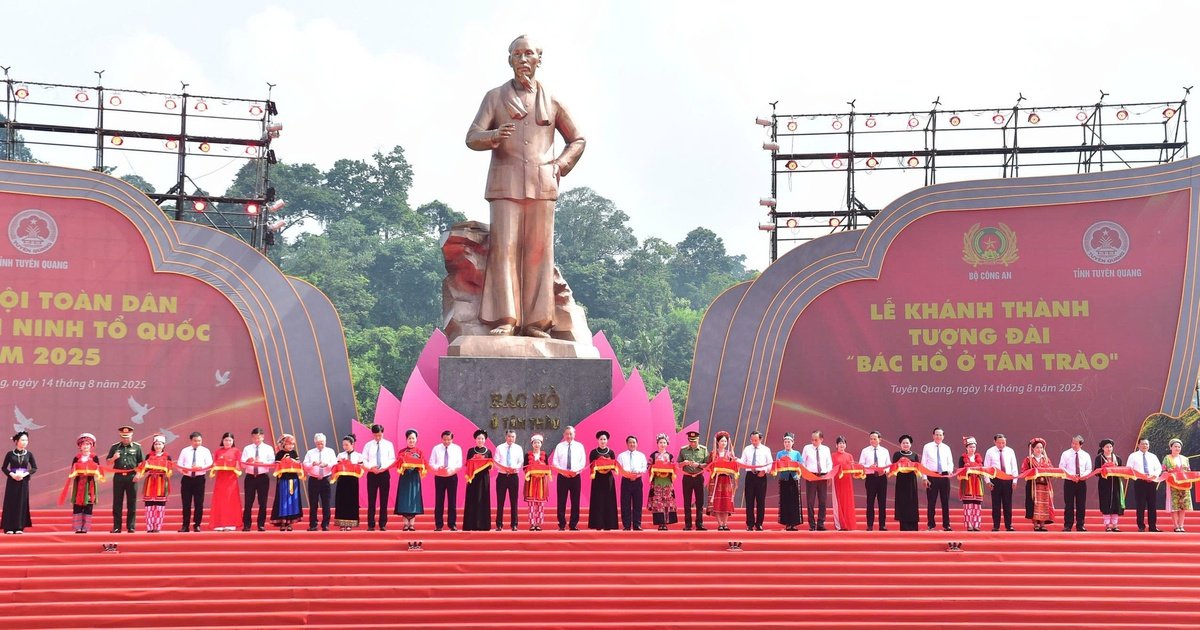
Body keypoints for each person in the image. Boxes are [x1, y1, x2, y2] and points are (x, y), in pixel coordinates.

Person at [465, 34, 586, 338]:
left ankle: (536, 322)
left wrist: (560, 165)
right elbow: (472, 137)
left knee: (539, 253)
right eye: (516, 55)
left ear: (538, 60)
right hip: (504, 184)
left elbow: (578, 139)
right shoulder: (495, 97)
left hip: (542, 184)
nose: (522, 60)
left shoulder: (552, 100)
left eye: (528, 54)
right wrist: (492, 135)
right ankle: (505, 318)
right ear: (510, 60)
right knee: (503, 250)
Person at [106, 425, 145, 533]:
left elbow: (141, 463)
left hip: (132, 477)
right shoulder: (115, 447)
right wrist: (114, 458)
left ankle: (131, 527)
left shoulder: (137, 447)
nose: (125, 439)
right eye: (123, 437)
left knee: (132, 502)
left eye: (127, 437)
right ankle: (117, 527)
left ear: (131, 436)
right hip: (118, 477)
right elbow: (108, 462)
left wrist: (139, 474)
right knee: (117, 503)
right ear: (120, 436)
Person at [176, 431, 212, 532]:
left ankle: (197, 525)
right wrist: (183, 470)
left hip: (199, 479)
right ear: (191, 441)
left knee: (199, 503)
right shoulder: (185, 451)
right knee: (186, 503)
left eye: (199, 441)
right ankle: (185, 525)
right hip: (187, 479)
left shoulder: (205, 451)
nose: (197, 443)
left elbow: (209, 464)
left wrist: (200, 467)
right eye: (195, 441)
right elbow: (179, 464)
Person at [362, 424, 395, 532]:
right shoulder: (368, 445)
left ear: (382, 433)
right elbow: (363, 460)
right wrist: (371, 468)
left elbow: (392, 459)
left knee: (384, 500)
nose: (377, 437)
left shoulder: (388, 444)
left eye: (379, 435)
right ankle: (371, 524)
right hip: (372, 474)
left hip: (384, 473)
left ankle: (383, 524)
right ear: (372, 434)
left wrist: (383, 467)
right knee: (371, 500)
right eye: (375, 435)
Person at [241, 427, 275, 532]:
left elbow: (272, 462)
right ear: (252, 438)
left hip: (262, 477)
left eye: (259, 438)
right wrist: (248, 461)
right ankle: (247, 525)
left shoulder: (268, 448)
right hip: (250, 477)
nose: (257, 440)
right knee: (248, 502)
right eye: (255, 438)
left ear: (263, 437)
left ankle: (261, 524)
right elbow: (242, 464)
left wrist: (262, 462)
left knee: (263, 502)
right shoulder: (247, 448)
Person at [2, 431, 37, 534]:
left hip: (23, 481)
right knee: (11, 502)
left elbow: (34, 468)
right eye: (22, 440)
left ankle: (19, 527)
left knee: (21, 503)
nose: (25, 442)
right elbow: (4, 468)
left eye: (26, 440)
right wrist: (11, 474)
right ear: (16, 441)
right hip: (12, 481)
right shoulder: (10, 454)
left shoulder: (29, 454)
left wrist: (25, 474)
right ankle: (8, 527)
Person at [552, 425, 586, 531]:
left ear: (574, 434)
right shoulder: (559, 446)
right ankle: (562, 524)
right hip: (562, 477)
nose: (569, 436)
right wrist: (563, 472)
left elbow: (582, 462)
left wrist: (575, 471)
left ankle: (573, 524)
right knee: (561, 501)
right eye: (567, 434)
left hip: (575, 476)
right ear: (563, 435)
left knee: (575, 501)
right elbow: (555, 461)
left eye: (571, 434)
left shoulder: (579, 446)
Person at [429, 430, 463, 532]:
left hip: (452, 476)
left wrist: (451, 469)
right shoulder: (436, 448)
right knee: (439, 501)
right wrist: (438, 467)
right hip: (439, 476)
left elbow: (459, 463)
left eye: (448, 440)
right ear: (441, 439)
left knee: (452, 501)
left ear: (452, 439)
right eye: (444, 439)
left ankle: (452, 524)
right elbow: (431, 463)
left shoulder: (457, 448)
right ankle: (438, 525)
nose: (446, 442)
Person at [921, 427, 954, 531]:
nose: (938, 436)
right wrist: (924, 478)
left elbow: (950, 462)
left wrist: (949, 471)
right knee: (931, 501)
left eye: (940, 435)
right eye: (936, 434)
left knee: (945, 501)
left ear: (943, 436)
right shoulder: (927, 447)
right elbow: (924, 463)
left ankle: (946, 525)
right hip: (932, 476)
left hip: (944, 476)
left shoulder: (946, 448)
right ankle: (931, 524)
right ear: (933, 435)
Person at [67, 433, 101, 534]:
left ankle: (86, 527)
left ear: (91, 446)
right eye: (83, 444)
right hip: (79, 484)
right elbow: (72, 470)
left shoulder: (94, 457)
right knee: (77, 504)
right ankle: (78, 527)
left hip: (90, 484)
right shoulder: (76, 458)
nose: (85, 446)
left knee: (88, 504)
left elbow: (99, 470)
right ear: (80, 446)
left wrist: (91, 471)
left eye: (87, 444)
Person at [983, 433, 1018, 531]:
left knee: (1008, 503)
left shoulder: (1010, 451)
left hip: (1007, 479)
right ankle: (996, 525)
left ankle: (1009, 525)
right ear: (994, 442)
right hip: (995, 479)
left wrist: (1015, 480)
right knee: (996, 504)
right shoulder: (990, 452)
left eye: (1003, 442)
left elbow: (1014, 466)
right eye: (999, 443)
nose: (1001, 445)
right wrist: (987, 481)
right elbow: (986, 467)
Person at [705, 431, 738, 531]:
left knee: (726, 502)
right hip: (716, 480)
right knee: (717, 502)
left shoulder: (730, 454)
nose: (724, 443)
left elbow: (734, 466)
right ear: (718, 442)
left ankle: (725, 523)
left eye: (725, 441)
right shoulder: (713, 454)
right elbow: (708, 466)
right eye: (722, 441)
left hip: (727, 480)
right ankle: (720, 524)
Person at [138, 434, 172, 533]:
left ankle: (157, 527)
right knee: (149, 505)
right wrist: (140, 472)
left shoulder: (167, 456)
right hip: (150, 481)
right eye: (156, 444)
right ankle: (149, 527)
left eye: (160, 444)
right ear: (153, 445)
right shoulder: (149, 456)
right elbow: (144, 469)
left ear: (163, 445)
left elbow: (169, 470)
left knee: (160, 506)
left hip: (161, 481)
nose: (158, 446)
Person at [210, 432, 242, 532]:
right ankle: (218, 523)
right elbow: (214, 464)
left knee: (231, 500)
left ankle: (231, 523)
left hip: (231, 479)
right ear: (222, 441)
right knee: (219, 500)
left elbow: (239, 464)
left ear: (233, 441)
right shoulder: (218, 451)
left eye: (230, 440)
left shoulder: (236, 451)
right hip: (220, 479)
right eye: (226, 440)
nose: (228, 442)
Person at [1058, 435, 1092, 532]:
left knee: (1081, 504)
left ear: (1081, 445)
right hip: (1069, 481)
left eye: (1076, 444)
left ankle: (1080, 525)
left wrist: (1081, 477)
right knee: (1069, 504)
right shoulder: (1066, 454)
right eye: (1072, 443)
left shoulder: (1086, 455)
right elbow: (1061, 467)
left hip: (1081, 482)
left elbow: (1089, 468)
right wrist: (1071, 476)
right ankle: (1068, 525)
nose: (1073, 445)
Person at [1129, 437, 1162, 532]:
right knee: (1140, 505)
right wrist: (1140, 475)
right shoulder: (1133, 456)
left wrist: (1154, 475)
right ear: (1138, 445)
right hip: (1139, 482)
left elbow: (1158, 468)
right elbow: (1129, 469)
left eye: (1146, 444)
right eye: (1143, 444)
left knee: (1152, 505)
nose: (1145, 446)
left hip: (1151, 482)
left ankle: (1153, 526)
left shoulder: (1153, 456)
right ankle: (1141, 526)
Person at [394, 429, 426, 531]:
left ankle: (411, 524)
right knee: (403, 499)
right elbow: (398, 465)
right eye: (409, 438)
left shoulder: (419, 452)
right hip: (404, 477)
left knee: (414, 500)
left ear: (416, 439)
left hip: (414, 477)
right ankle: (405, 524)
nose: (411, 440)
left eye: (413, 438)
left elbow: (423, 465)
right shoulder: (402, 452)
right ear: (406, 439)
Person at [304, 433, 336, 531]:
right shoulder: (310, 452)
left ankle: (325, 524)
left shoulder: (330, 451)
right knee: (313, 503)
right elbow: (305, 464)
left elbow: (334, 463)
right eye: (318, 443)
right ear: (315, 443)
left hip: (325, 479)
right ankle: (313, 524)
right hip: (313, 479)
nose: (320, 445)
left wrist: (327, 464)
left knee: (326, 502)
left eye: (322, 443)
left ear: (325, 442)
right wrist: (312, 464)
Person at [1022, 438, 1056, 531]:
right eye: (1037, 447)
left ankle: (1042, 524)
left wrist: (1047, 471)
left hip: (1044, 485)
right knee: (1035, 504)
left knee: (1044, 504)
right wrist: (1033, 471)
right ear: (1033, 448)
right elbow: (1024, 471)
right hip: (1033, 485)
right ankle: (1035, 524)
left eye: (1041, 447)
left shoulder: (1046, 459)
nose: (1039, 449)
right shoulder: (1028, 460)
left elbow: (1052, 470)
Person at [740, 431, 771, 531]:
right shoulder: (747, 449)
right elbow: (742, 462)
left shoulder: (766, 450)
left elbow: (770, 463)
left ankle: (759, 524)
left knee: (760, 501)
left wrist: (764, 470)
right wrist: (735, 459)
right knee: (749, 501)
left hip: (761, 476)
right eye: (752, 440)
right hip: (750, 476)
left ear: (760, 439)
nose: (754, 442)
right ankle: (750, 524)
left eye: (756, 440)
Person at [588, 430, 619, 530]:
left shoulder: (611, 452)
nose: (603, 441)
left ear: (607, 440)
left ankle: (609, 525)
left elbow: (614, 466)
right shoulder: (593, 452)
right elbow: (591, 466)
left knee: (609, 501)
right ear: (598, 440)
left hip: (608, 480)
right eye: (601, 439)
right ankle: (598, 524)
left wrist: (609, 468)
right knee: (598, 501)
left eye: (604, 439)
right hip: (597, 479)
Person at [801, 430, 832, 531]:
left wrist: (828, 474)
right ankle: (812, 525)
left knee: (823, 501)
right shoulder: (807, 448)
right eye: (812, 440)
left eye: (816, 440)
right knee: (810, 501)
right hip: (811, 476)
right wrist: (806, 473)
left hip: (823, 476)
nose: (813, 442)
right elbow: (802, 462)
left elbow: (829, 463)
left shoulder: (826, 449)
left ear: (821, 439)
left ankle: (820, 524)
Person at [270, 434, 303, 531]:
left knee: (292, 500)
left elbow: (299, 464)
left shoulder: (294, 453)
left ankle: (290, 522)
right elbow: (277, 466)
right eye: (289, 444)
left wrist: (293, 461)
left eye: (292, 444)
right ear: (284, 444)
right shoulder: (279, 454)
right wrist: (284, 461)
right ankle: (283, 522)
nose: (291, 446)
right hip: (283, 480)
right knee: (283, 500)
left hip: (293, 480)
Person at [858, 430, 889, 531]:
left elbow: (889, 465)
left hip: (882, 478)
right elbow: (861, 465)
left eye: (874, 439)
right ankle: (870, 525)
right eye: (871, 439)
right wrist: (869, 466)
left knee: (882, 502)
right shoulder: (865, 451)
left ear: (880, 439)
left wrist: (884, 471)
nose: (872, 440)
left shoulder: (885, 451)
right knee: (870, 501)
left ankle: (882, 525)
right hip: (870, 478)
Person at [463, 429, 493, 531]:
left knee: (483, 500)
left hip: (484, 479)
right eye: (478, 438)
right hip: (473, 479)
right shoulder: (471, 451)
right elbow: (467, 464)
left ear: (485, 440)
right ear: (475, 439)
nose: (480, 440)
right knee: (472, 500)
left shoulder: (488, 452)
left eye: (482, 438)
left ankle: (483, 525)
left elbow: (490, 466)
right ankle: (470, 525)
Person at [494, 429, 524, 532]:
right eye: (509, 436)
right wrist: (505, 468)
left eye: (513, 437)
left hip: (513, 476)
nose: (511, 438)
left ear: (515, 438)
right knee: (500, 501)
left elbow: (520, 462)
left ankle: (514, 524)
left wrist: (514, 468)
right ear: (505, 437)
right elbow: (496, 462)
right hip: (502, 476)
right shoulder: (499, 448)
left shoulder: (518, 448)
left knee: (514, 501)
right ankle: (499, 525)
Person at [678, 430, 708, 531]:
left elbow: (707, 464)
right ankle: (688, 524)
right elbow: (679, 464)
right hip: (687, 478)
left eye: (694, 441)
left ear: (698, 440)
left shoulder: (703, 449)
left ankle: (699, 524)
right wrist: (684, 463)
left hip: (698, 477)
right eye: (691, 441)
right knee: (687, 502)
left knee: (700, 502)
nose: (693, 443)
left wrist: (698, 465)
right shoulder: (683, 450)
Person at [333, 435, 364, 531]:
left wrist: (352, 466)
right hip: (342, 480)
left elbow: (361, 468)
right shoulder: (340, 455)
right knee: (341, 501)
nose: (345, 447)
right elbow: (336, 467)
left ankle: (350, 523)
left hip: (353, 481)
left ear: (352, 444)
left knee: (352, 501)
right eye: (343, 445)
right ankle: (342, 524)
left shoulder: (358, 455)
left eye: (347, 445)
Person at [617, 435, 648, 531]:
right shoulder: (621, 456)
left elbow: (644, 468)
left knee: (637, 503)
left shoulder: (641, 455)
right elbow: (618, 469)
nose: (632, 444)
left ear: (637, 444)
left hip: (637, 481)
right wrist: (627, 474)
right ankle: (626, 525)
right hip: (626, 481)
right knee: (625, 503)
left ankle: (637, 525)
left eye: (634, 442)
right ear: (627, 444)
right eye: (630, 442)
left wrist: (637, 474)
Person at [648, 434, 678, 531]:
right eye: (660, 442)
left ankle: (665, 523)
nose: (662, 444)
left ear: (667, 444)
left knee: (667, 503)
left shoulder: (670, 456)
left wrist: (669, 469)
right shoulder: (653, 455)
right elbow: (648, 466)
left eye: (664, 442)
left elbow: (674, 467)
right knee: (658, 503)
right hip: (657, 482)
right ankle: (660, 523)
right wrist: (654, 468)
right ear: (657, 443)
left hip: (667, 483)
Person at [1094, 438, 1125, 532]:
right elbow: (1096, 472)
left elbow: (1121, 470)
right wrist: (1103, 470)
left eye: (1110, 447)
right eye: (1107, 447)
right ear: (1103, 448)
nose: (1109, 448)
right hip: (1104, 484)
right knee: (1106, 503)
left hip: (1116, 484)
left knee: (1116, 503)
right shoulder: (1099, 458)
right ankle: (1107, 525)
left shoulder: (1117, 458)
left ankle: (1115, 525)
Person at [775, 432, 803, 531]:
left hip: (794, 479)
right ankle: (787, 523)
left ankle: (794, 523)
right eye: (785, 442)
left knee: (794, 501)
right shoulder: (780, 453)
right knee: (785, 501)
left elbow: (801, 464)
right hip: (784, 479)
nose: (787, 444)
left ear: (793, 442)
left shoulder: (797, 453)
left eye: (789, 442)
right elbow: (776, 465)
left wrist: (793, 464)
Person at [892, 435, 920, 531]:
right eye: (903, 443)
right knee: (902, 502)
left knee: (912, 502)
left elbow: (918, 468)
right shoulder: (897, 454)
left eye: (907, 443)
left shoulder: (914, 455)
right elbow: (894, 467)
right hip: (901, 481)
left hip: (911, 481)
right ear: (900, 444)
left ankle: (913, 526)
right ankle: (904, 526)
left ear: (910, 444)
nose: (905, 444)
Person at [1162, 438, 1191, 532]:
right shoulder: (1167, 458)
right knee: (1174, 506)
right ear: (1171, 447)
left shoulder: (1185, 459)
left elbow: (1189, 471)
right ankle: (1176, 526)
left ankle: (1181, 525)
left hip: (1184, 485)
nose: (1177, 448)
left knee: (1183, 506)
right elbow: (1163, 470)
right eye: (1175, 446)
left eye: (1179, 447)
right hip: (1172, 484)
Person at [524, 434, 551, 531]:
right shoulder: (527, 455)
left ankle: (538, 524)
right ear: (532, 444)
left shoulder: (544, 455)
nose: (537, 445)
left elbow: (547, 469)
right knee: (531, 504)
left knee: (540, 504)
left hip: (541, 482)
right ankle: (532, 524)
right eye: (535, 443)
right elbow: (524, 468)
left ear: (541, 444)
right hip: (531, 482)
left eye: (538, 443)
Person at [958, 437, 985, 532]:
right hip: (967, 483)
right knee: (968, 505)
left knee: (977, 505)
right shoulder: (962, 458)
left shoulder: (979, 458)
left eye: (974, 447)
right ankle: (969, 525)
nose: (972, 449)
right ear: (966, 448)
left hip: (977, 484)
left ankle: (976, 525)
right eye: (970, 447)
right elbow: (960, 471)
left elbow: (983, 471)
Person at [831, 436, 857, 531]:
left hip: (847, 481)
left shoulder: (849, 456)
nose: (842, 445)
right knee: (838, 502)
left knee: (847, 502)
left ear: (845, 445)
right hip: (837, 481)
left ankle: (849, 524)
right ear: (836, 445)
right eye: (840, 443)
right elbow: (831, 468)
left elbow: (853, 469)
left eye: (843, 443)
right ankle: (839, 525)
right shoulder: (833, 455)